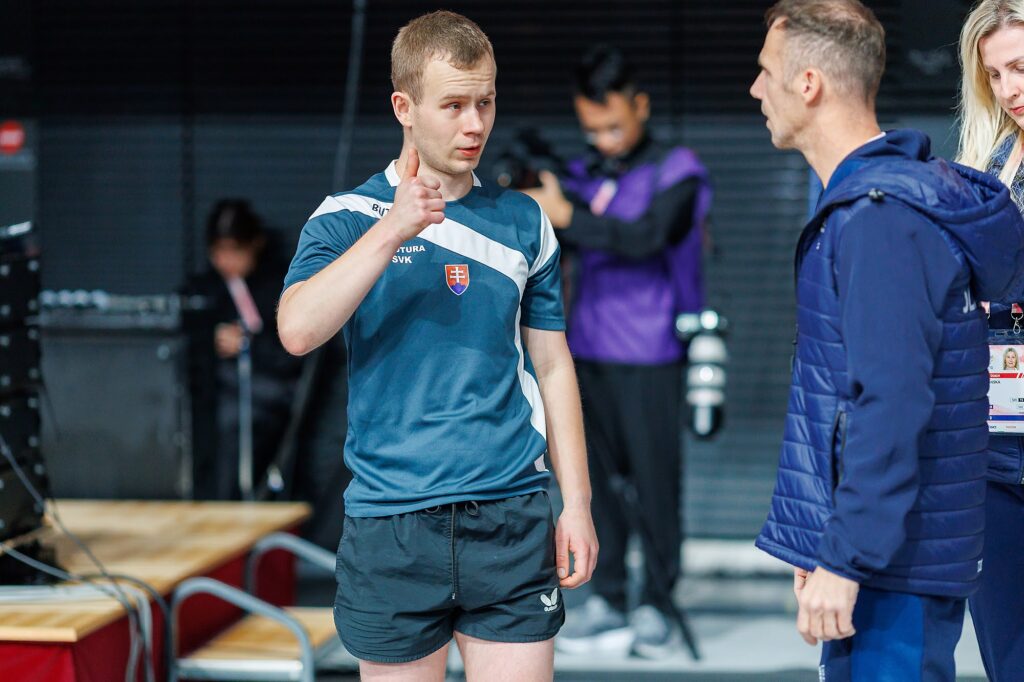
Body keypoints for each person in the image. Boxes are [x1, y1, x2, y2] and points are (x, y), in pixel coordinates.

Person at [277, 11, 597, 681]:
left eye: (486, 102)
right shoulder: (347, 217)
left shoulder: (524, 220)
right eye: (453, 105)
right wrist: (393, 228)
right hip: (391, 525)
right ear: (405, 108)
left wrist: (577, 504)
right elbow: (298, 331)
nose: (475, 124)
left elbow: (552, 364)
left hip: (510, 516)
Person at [750, 1, 1024, 680]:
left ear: (808, 82)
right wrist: (822, 539)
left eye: (765, 72)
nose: (755, 89)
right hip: (981, 463)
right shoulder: (930, 188)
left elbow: (891, 399)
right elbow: (843, 394)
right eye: (996, 74)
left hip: (904, 540)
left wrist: (845, 555)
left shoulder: (881, 214)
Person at [524, 45, 711, 659]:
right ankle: (605, 597)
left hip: (652, 350)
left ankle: (656, 602)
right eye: (592, 129)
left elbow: (646, 237)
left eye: (613, 126)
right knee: (594, 485)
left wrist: (567, 215)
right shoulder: (582, 174)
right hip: (585, 349)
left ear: (640, 106)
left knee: (654, 483)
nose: (603, 140)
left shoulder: (678, 171)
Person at [956, 3, 1024, 678]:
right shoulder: (987, 165)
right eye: (995, 75)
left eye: (1021, 68)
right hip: (994, 437)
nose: (1008, 89)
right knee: (1006, 653)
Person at [182, 199, 303, 499]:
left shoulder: (281, 284)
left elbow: (294, 352)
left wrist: (249, 344)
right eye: (217, 251)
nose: (226, 261)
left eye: (234, 250)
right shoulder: (202, 290)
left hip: (265, 394)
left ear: (254, 245)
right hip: (213, 394)